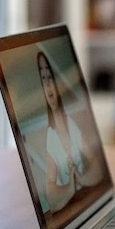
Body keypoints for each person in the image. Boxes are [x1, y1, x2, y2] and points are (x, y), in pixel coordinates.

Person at [37, 51, 103, 212]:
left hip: (89, 200)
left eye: (50, 77)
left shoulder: (72, 126)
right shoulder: (50, 138)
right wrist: (70, 186)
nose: (48, 85)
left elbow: (97, 168)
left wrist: (80, 178)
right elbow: (51, 197)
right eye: (43, 79)